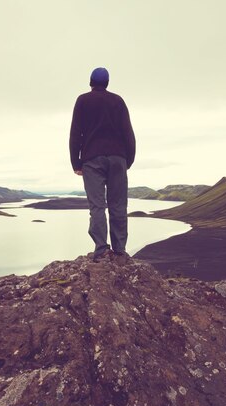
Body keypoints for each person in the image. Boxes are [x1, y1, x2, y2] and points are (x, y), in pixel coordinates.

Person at [69, 67, 136, 262]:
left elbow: (76, 134)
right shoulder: (118, 101)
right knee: (118, 205)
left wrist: (76, 162)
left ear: (91, 82)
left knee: (97, 206)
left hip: (92, 159)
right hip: (118, 158)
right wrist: (127, 160)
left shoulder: (82, 100)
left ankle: (101, 249)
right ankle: (119, 249)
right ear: (107, 83)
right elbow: (128, 133)